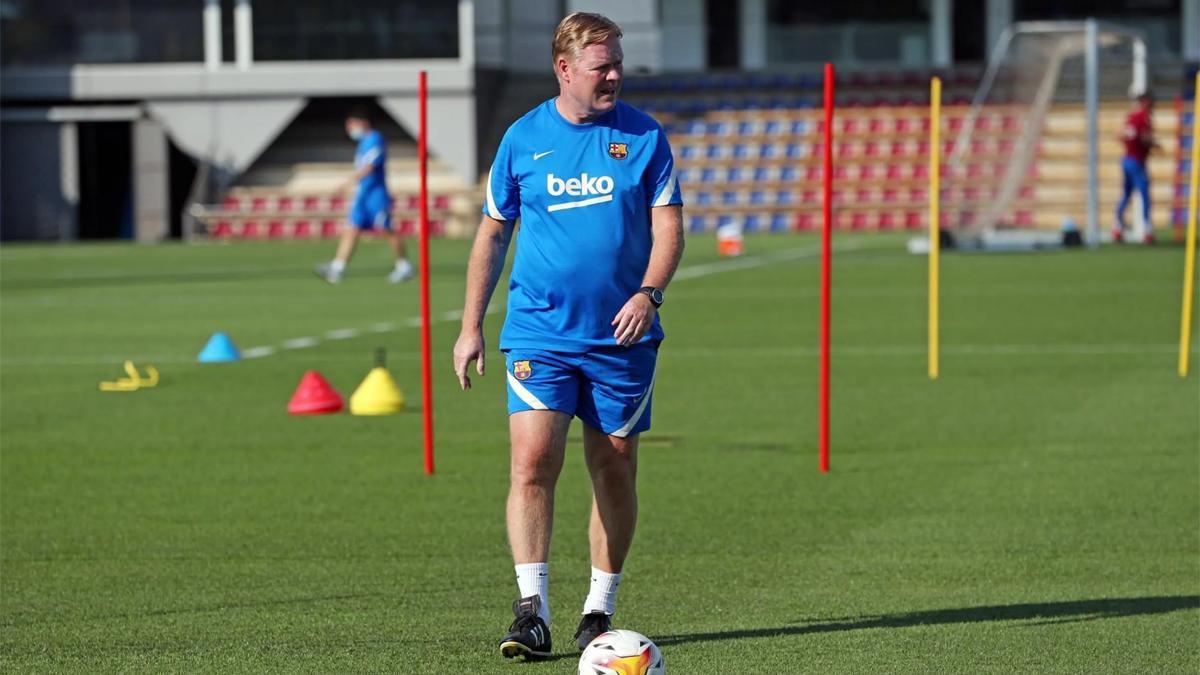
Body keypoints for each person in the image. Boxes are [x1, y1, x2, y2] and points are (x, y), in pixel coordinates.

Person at [451, 11, 684, 662]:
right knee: (532, 460)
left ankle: (598, 607)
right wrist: (471, 325)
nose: (614, 75)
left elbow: (670, 229)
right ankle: (531, 610)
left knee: (613, 463)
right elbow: (493, 233)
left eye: (617, 63)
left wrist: (648, 292)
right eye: (601, 65)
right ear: (564, 69)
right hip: (539, 330)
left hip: (622, 336)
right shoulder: (523, 140)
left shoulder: (643, 137)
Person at [314, 107, 414, 283]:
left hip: (376, 194)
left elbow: (370, 166)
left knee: (386, 229)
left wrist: (347, 182)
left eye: (352, 125)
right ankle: (338, 267)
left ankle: (404, 265)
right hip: (363, 194)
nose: (350, 129)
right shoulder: (363, 143)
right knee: (352, 228)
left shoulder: (375, 139)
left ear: (363, 123)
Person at [1114, 91, 1160, 244]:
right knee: (1144, 195)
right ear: (1146, 101)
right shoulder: (1144, 117)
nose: (1154, 104)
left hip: (1127, 160)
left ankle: (1117, 227)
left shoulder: (1131, 116)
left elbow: (1120, 135)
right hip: (1136, 162)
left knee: (1126, 195)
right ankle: (1147, 231)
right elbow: (1145, 138)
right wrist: (1154, 145)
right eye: (1151, 101)